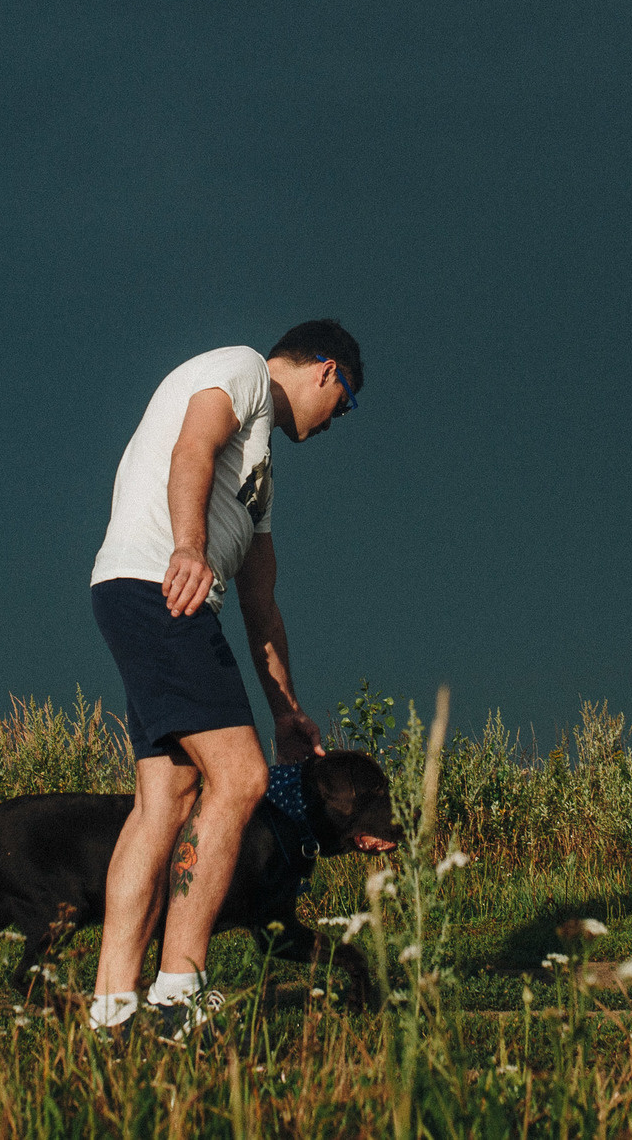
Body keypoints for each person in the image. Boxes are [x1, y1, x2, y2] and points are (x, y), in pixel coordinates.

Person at [86, 319, 363, 1035]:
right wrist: (188, 545)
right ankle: (178, 988)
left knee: (166, 796)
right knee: (239, 779)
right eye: (347, 403)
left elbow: (261, 601)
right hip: (163, 583)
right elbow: (192, 445)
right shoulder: (241, 369)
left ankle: (112, 1006)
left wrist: (286, 710)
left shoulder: (260, 476)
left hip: (141, 590)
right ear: (328, 371)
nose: (338, 423)